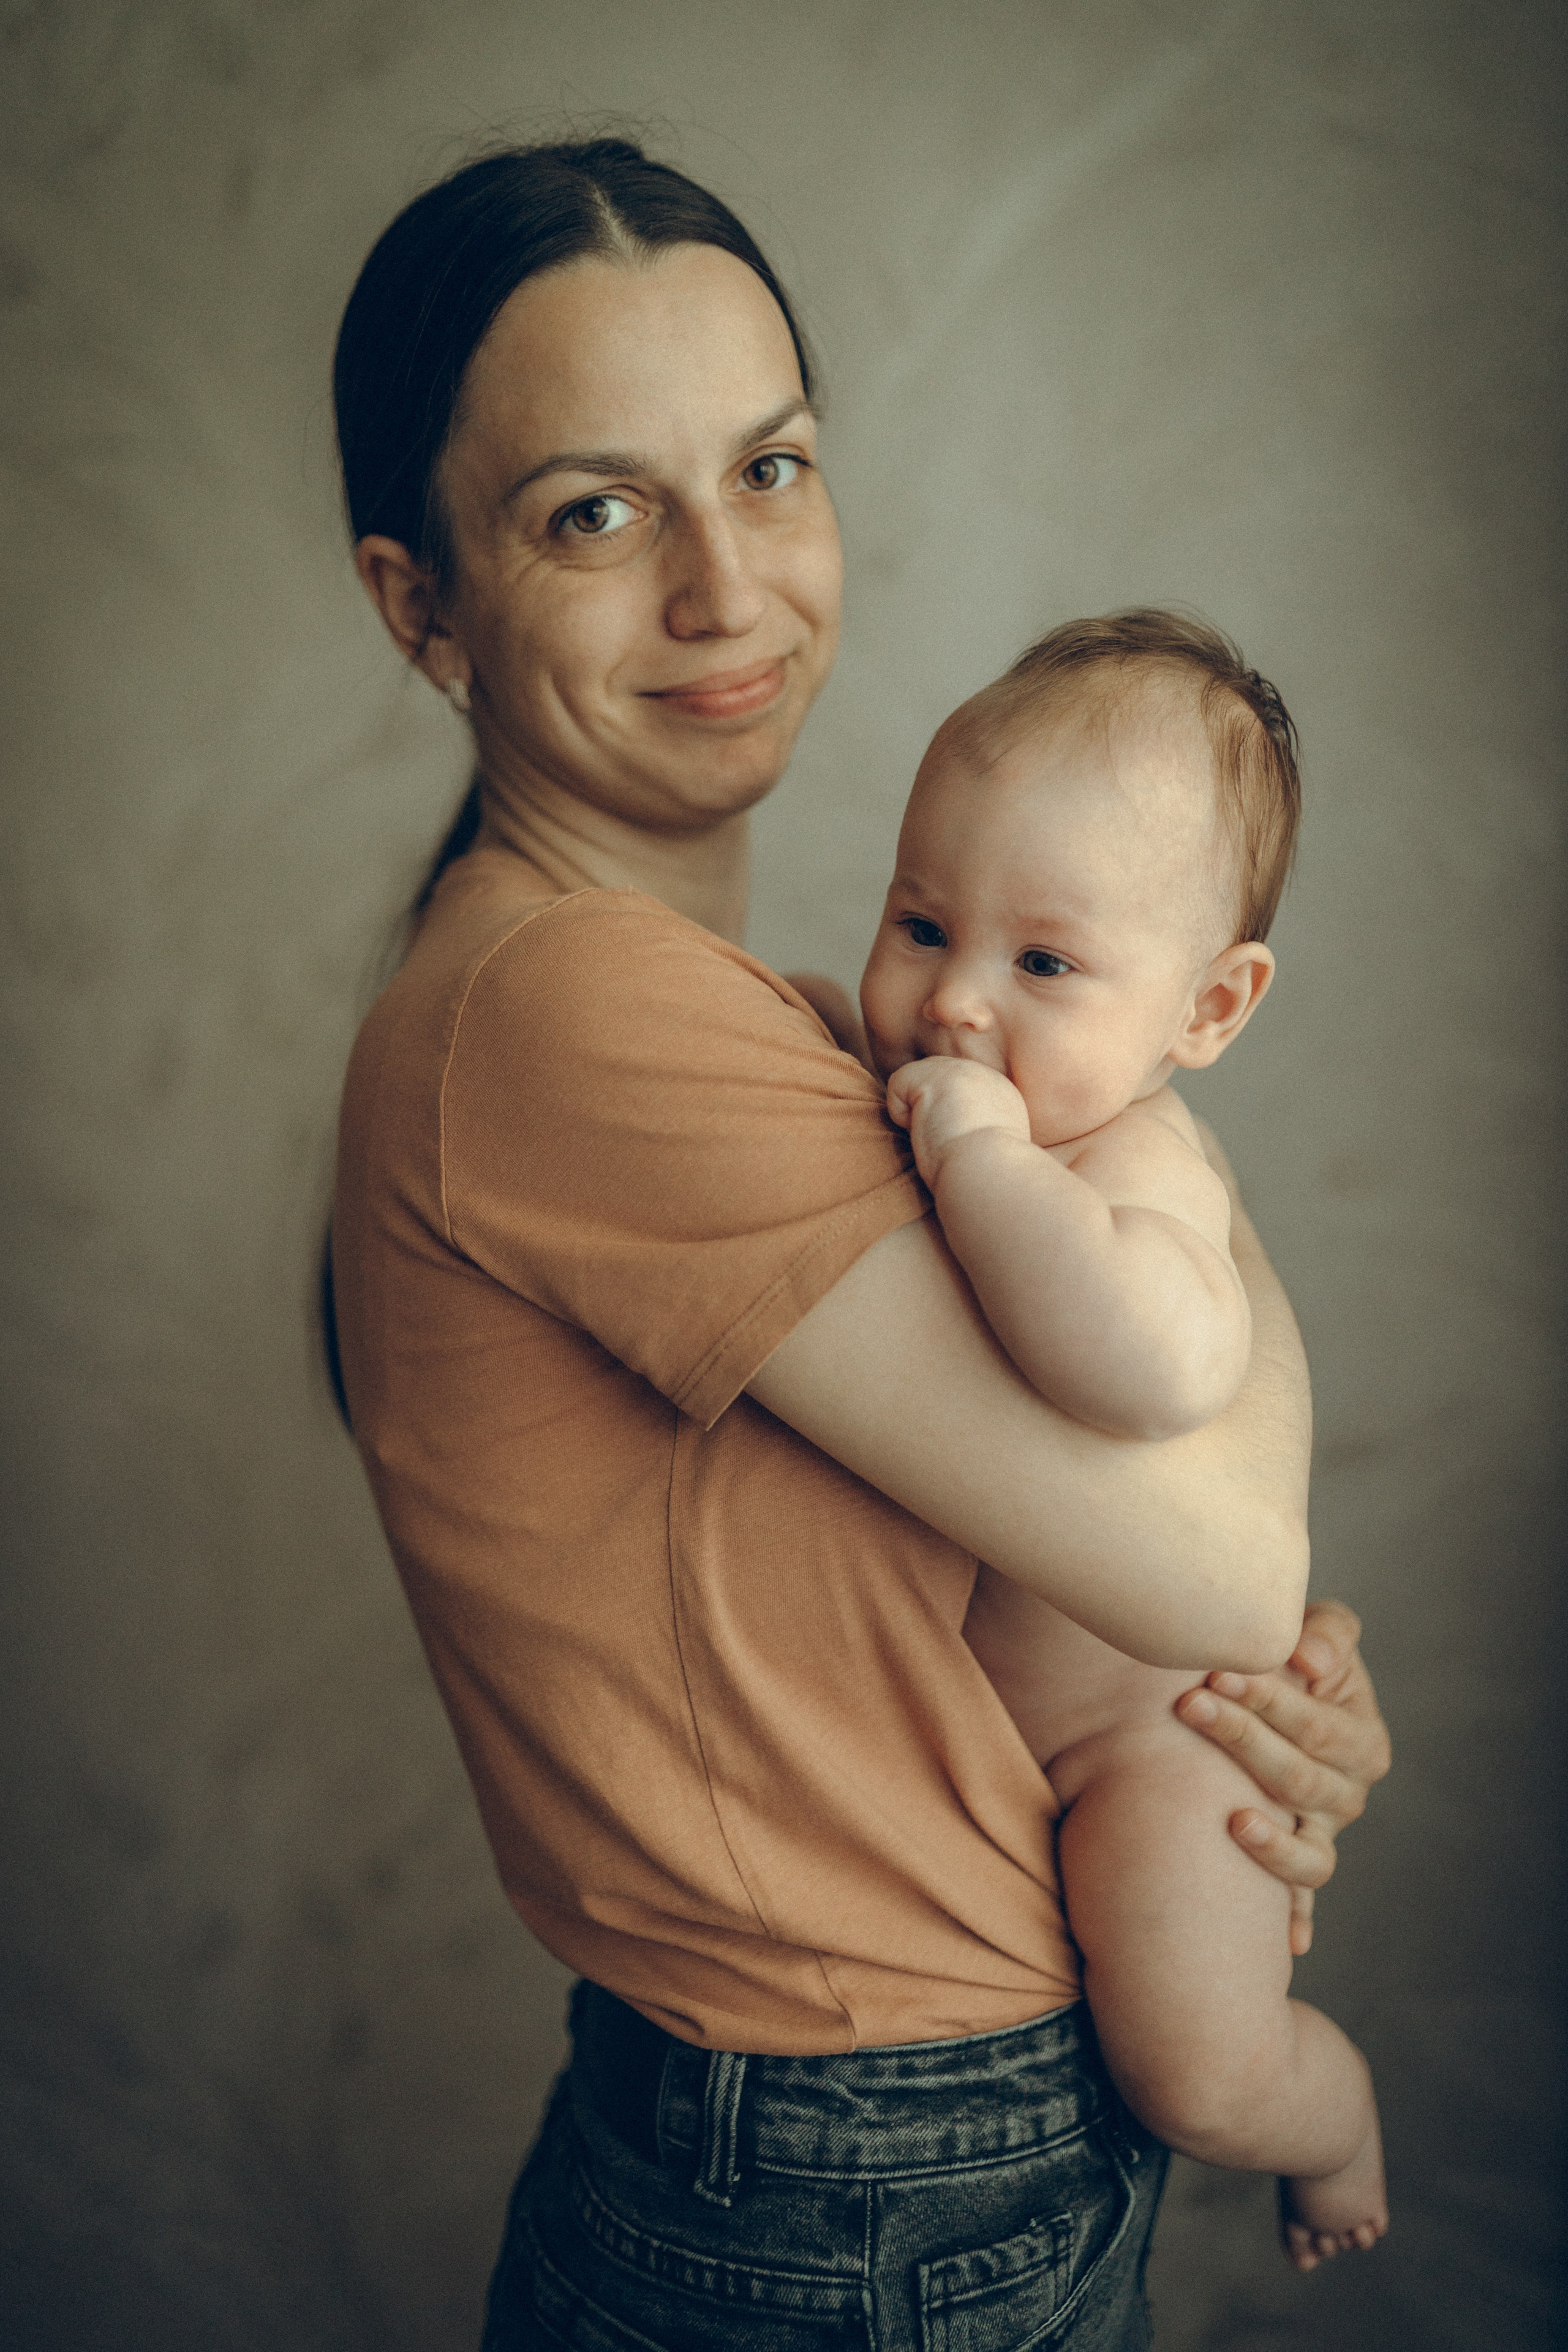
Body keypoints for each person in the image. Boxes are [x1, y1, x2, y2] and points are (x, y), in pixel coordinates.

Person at [325, 137, 1392, 2348]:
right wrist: (1234, 1524)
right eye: (593, 512)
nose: (728, 589)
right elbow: (1200, 1556)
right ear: (417, 601)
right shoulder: (574, 1009)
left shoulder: (787, 1030)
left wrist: (1257, 1712)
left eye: (771, 466)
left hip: (875, 2132)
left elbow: (1102, 1579)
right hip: (850, 2171)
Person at [862, 609, 1387, 2272]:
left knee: (1194, 2066)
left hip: (1154, 1743)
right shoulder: (946, 1090)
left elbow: (1154, 1366)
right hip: (965, 1782)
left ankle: (1331, 2116)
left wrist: (988, 1167)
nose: (952, 1005)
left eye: (1044, 964)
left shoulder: (1134, 1165)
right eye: (919, 923)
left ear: (1208, 1009)